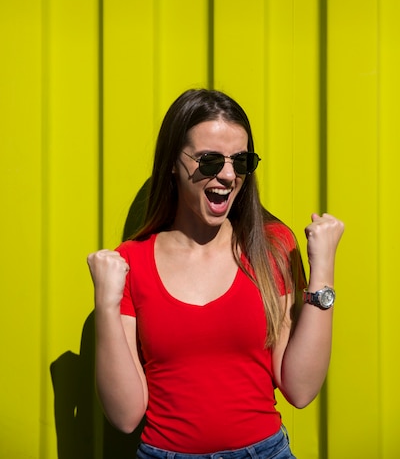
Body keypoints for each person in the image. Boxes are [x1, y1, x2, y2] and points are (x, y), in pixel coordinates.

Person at [87, 88, 344, 459]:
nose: (227, 175)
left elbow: (300, 389)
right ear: (173, 164)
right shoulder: (131, 262)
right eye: (209, 161)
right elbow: (126, 416)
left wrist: (323, 270)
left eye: (241, 163)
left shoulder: (271, 247)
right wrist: (105, 305)